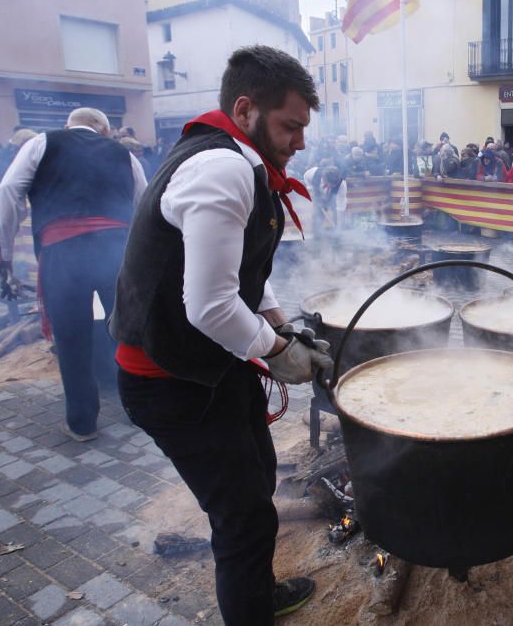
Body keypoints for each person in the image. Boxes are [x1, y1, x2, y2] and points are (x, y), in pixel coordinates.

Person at [109, 46, 327, 624]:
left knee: (257, 475)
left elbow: (244, 277)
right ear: (245, 107)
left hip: (215, 366)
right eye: (291, 126)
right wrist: (280, 353)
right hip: (171, 379)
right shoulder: (222, 167)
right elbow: (209, 306)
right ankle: (251, 611)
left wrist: (283, 327)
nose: (300, 142)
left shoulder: (242, 160)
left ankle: (256, 590)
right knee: (244, 516)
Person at [0, 108, 147, 441]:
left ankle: (82, 423)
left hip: (63, 253)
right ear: (104, 130)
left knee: (71, 337)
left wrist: (3, 255)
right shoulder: (123, 154)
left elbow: (9, 193)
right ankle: (139, 411)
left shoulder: (42, 143)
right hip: (116, 252)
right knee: (127, 330)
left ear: (69, 126)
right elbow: (144, 204)